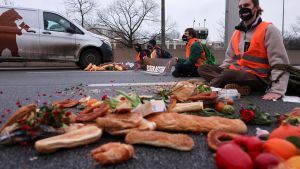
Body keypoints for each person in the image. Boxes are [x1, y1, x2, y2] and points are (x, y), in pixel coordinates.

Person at [198, 0, 290, 100]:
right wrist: (219, 72)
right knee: (203, 68)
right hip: (236, 73)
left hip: (259, 77)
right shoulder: (237, 32)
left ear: (256, 7)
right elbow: (229, 59)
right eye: (240, 6)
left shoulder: (269, 30)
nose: (243, 9)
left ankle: (207, 89)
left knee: (227, 74)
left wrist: (277, 90)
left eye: (246, 5)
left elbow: (280, 62)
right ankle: (236, 87)